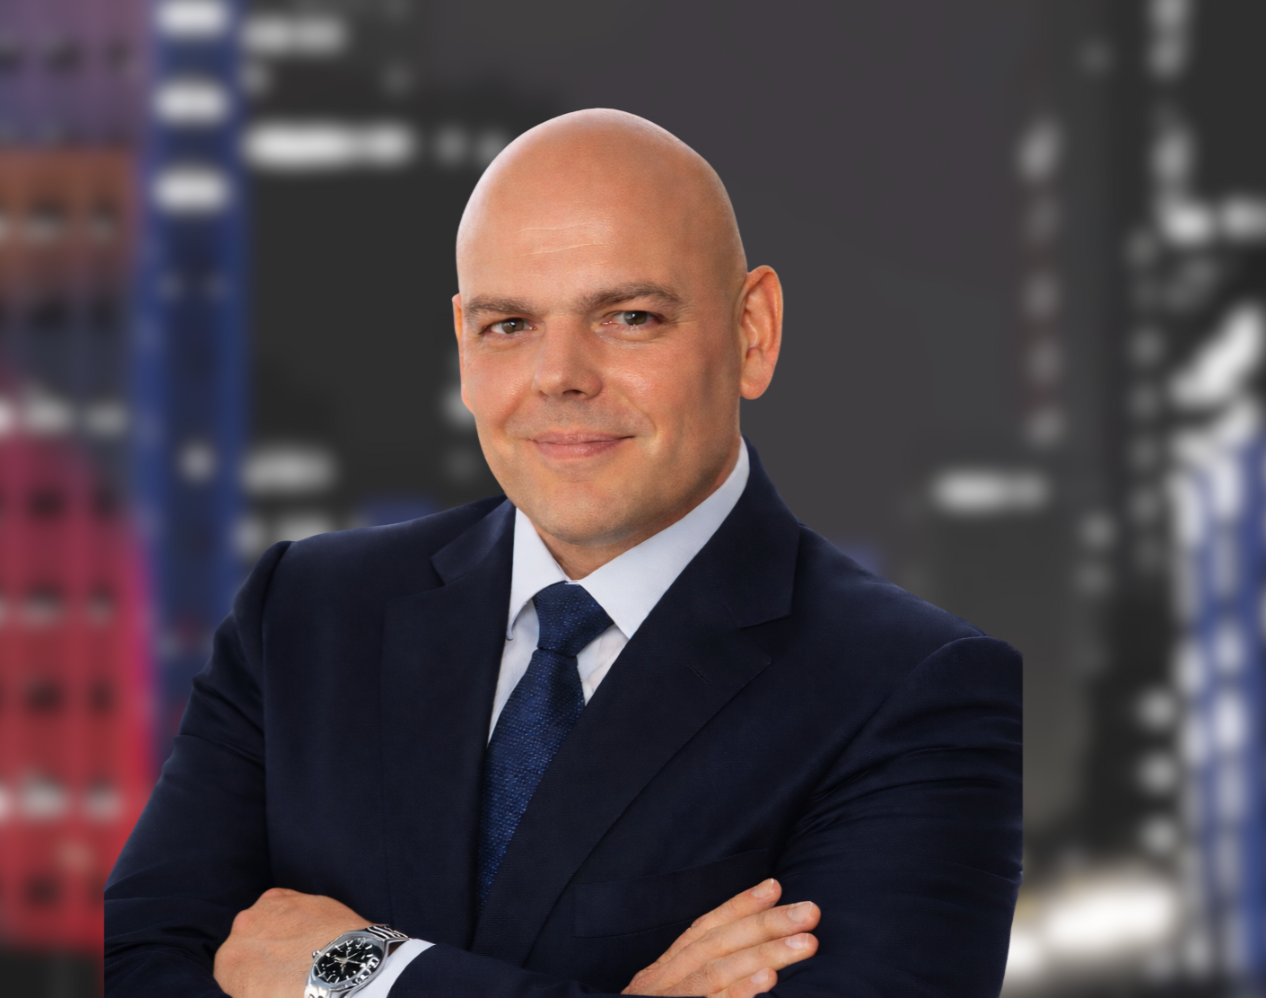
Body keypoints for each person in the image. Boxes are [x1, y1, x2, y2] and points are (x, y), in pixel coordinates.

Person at [105, 109, 1021, 998]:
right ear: (464, 343)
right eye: (511, 325)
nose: (559, 376)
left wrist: (357, 972)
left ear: (753, 331)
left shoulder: (917, 691)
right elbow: (140, 962)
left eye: (628, 317)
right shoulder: (301, 616)